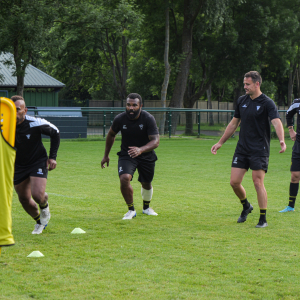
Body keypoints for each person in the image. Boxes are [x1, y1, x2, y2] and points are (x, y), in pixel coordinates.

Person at [211, 71, 286, 228]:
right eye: (244, 84)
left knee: (258, 182)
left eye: (247, 84)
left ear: (257, 84)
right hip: (242, 148)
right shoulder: (241, 101)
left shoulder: (267, 102)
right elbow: (233, 123)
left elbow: (277, 122)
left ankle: (263, 219)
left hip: (259, 149)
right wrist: (220, 142)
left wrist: (281, 140)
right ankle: (246, 206)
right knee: (234, 182)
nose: (244, 87)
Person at [101, 93, 160, 220]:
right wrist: (106, 155)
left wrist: (141, 149)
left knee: (146, 183)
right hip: (127, 154)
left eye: (134, 105)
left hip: (146, 155)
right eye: (128, 105)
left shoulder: (148, 118)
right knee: (124, 178)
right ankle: (131, 210)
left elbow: (156, 141)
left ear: (140, 106)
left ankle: (146, 208)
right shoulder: (120, 119)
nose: (131, 108)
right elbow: (111, 134)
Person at [11, 96, 60, 234]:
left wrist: (52, 157)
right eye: (11, 110)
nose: (14, 113)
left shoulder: (35, 123)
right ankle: (39, 222)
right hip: (18, 165)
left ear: (25, 111)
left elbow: (55, 132)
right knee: (24, 199)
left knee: (38, 195)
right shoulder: (5, 125)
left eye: (17, 110)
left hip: (37, 161)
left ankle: (44, 205)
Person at [279, 98, 300, 212]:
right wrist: (291, 130)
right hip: (298, 145)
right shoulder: (297, 103)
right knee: (295, 175)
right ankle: (290, 206)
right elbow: (289, 114)